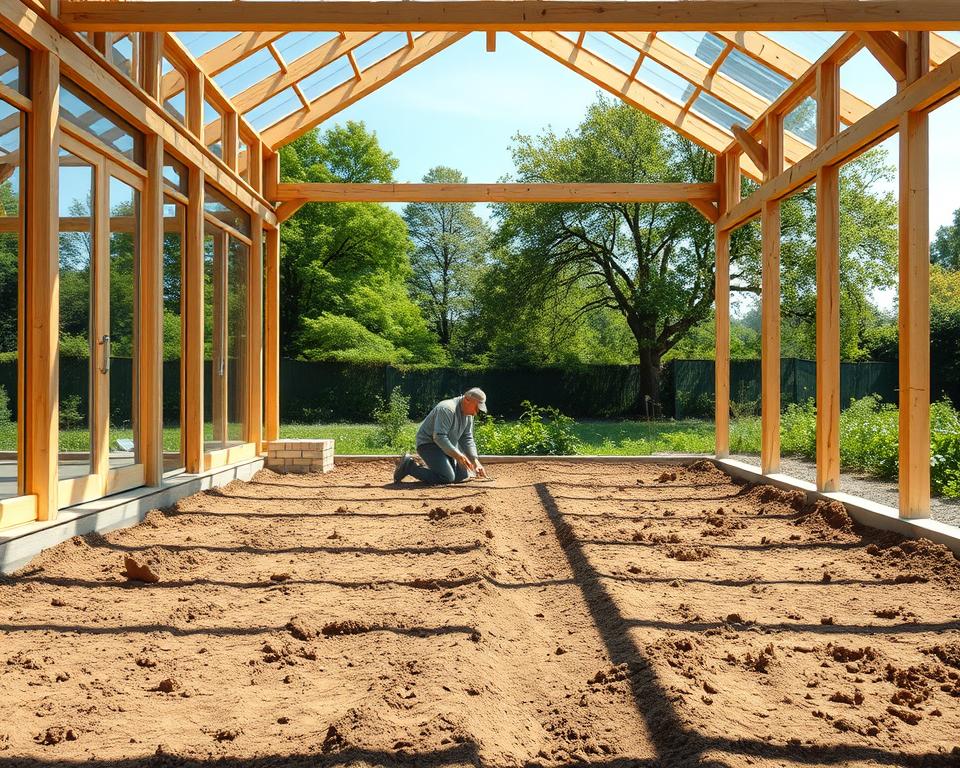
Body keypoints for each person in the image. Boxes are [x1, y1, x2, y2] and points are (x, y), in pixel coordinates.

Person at [393, 387, 488, 485]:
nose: (476, 412)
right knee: (447, 477)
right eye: (476, 407)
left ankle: (435, 468)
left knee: (461, 476)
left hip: (445, 447)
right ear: (467, 400)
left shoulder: (468, 415)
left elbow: (467, 438)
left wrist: (476, 462)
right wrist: (458, 455)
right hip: (428, 444)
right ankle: (409, 467)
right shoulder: (446, 409)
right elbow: (439, 437)